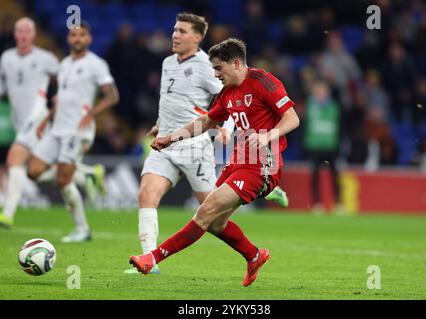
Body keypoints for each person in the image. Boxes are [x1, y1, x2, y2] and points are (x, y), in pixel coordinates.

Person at [125, 13, 288, 275]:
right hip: (239, 162)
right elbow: (205, 122)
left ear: (236, 64)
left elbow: (293, 118)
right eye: (213, 70)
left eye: (219, 69)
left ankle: (151, 259)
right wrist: (170, 136)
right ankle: (254, 255)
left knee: (205, 211)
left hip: (261, 166)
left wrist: (269, 135)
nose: (216, 74)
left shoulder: (263, 82)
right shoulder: (227, 92)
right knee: (215, 223)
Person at [0, 18, 105, 229]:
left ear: (34, 34)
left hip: (37, 115)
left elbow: (68, 80)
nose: (23, 35)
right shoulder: (6, 57)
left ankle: (7, 214)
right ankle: (87, 175)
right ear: (15, 34)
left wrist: (61, 101)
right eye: (19, 31)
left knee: (14, 159)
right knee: (35, 171)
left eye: (27, 31)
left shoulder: (46, 58)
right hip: (19, 120)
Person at [26, 21, 119, 242]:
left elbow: (112, 95)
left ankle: (82, 229)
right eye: (73, 35)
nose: (77, 39)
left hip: (77, 130)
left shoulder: (96, 64)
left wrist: (91, 113)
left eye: (82, 35)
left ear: (89, 39)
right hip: (56, 129)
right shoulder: (65, 64)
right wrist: (45, 120)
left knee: (62, 181)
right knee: (33, 171)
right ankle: (86, 174)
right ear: (68, 39)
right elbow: (62, 98)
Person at [303, 80, 343, 213]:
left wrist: (339, 144)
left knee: (335, 175)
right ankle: (316, 204)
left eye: (323, 91)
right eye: (318, 91)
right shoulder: (309, 105)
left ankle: (338, 204)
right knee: (314, 176)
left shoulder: (334, 106)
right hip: (314, 145)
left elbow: (339, 127)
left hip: (330, 145)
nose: (321, 94)